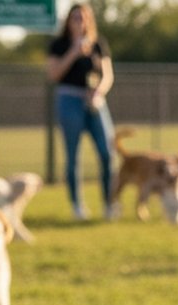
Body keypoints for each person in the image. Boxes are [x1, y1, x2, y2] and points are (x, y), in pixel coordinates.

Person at [46, 3, 115, 221]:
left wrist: (98, 92)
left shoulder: (98, 44)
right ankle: (78, 206)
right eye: (74, 17)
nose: (79, 21)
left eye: (83, 17)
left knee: (106, 152)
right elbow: (54, 74)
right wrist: (73, 52)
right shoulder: (59, 45)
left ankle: (108, 203)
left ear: (89, 20)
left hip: (94, 100)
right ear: (68, 21)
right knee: (73, 156)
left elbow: (107, 75)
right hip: (69, 99)